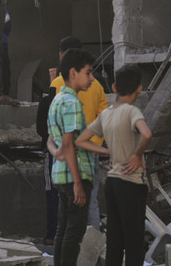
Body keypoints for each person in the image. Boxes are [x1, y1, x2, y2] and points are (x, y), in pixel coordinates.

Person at [76, 64, 152, 266]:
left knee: (115, 240)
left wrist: (109, 151)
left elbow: (81, 140)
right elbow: (146, 134)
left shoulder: (106, 114)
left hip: (112, 183)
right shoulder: (132, 111)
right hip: (132, 182)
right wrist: (136, 155)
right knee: (134, 240)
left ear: (114, 87)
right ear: (139, 88)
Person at [49, 36, 108, 230]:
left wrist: (56, 148)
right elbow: (103, 118)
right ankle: (92, 241)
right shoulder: (96, 86)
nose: (91, 77)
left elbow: (51, 123)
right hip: (87, 154)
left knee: (66, 210)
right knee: (89, 202)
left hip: (66, 155)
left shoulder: (58, 84)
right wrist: (96, 145)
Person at [47, 49, 96, 266]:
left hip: (60, 174)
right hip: (74, 175)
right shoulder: (72, 103)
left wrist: (55, 151)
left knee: (63, 230)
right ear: (73, 73)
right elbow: (68, 144)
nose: (91, 78)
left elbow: (51, 141)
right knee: (74, 234)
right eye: (88, 72)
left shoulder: (57, 100)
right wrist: (78, 183)